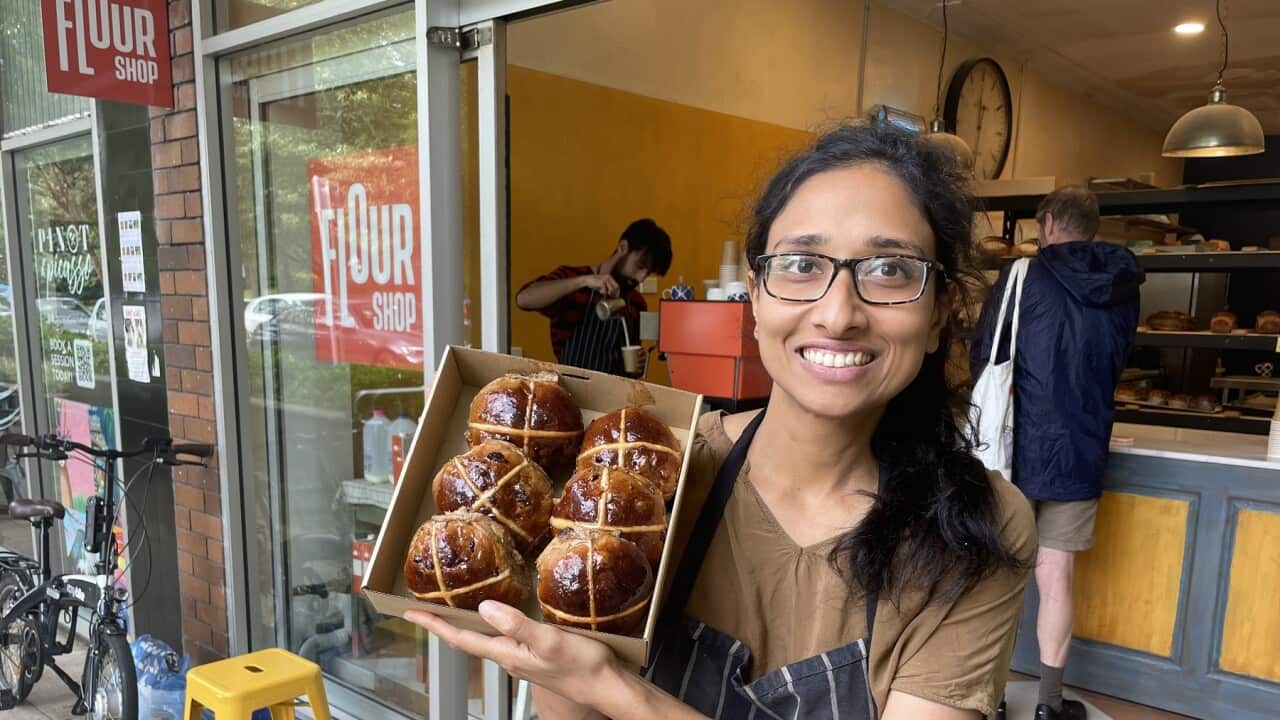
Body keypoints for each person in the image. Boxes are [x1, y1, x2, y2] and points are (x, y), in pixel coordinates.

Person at [408, 124, 1035, 719]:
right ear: (754, 296)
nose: (838, 313)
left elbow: (603, 691)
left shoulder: (977, 529)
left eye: (890, 268)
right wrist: (547, 653)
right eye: (801, 264)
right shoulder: (648, 484)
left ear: (939, 311)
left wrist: (615, 689)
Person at [970, 186, 1143, 720]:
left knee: (1000, 578)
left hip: (1013, 450)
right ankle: (1048, 704)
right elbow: (1118, 358)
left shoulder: (1022, 276)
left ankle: (992, 699)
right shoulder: (1124, 282)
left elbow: (986, 354)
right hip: (1082, 448)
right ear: (1093, 226)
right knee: (1057, 575)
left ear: (1046, 223)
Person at [516, 218, 672, 377]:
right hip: (572, 387)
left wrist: (636, 365)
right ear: (623, 247)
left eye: (648, 273)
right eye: (639, 266)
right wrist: (583, 281)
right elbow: (523, 299)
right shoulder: (572, 279)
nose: (641, 278)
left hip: (612, 390)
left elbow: (629, 361)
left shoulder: (636, 302)